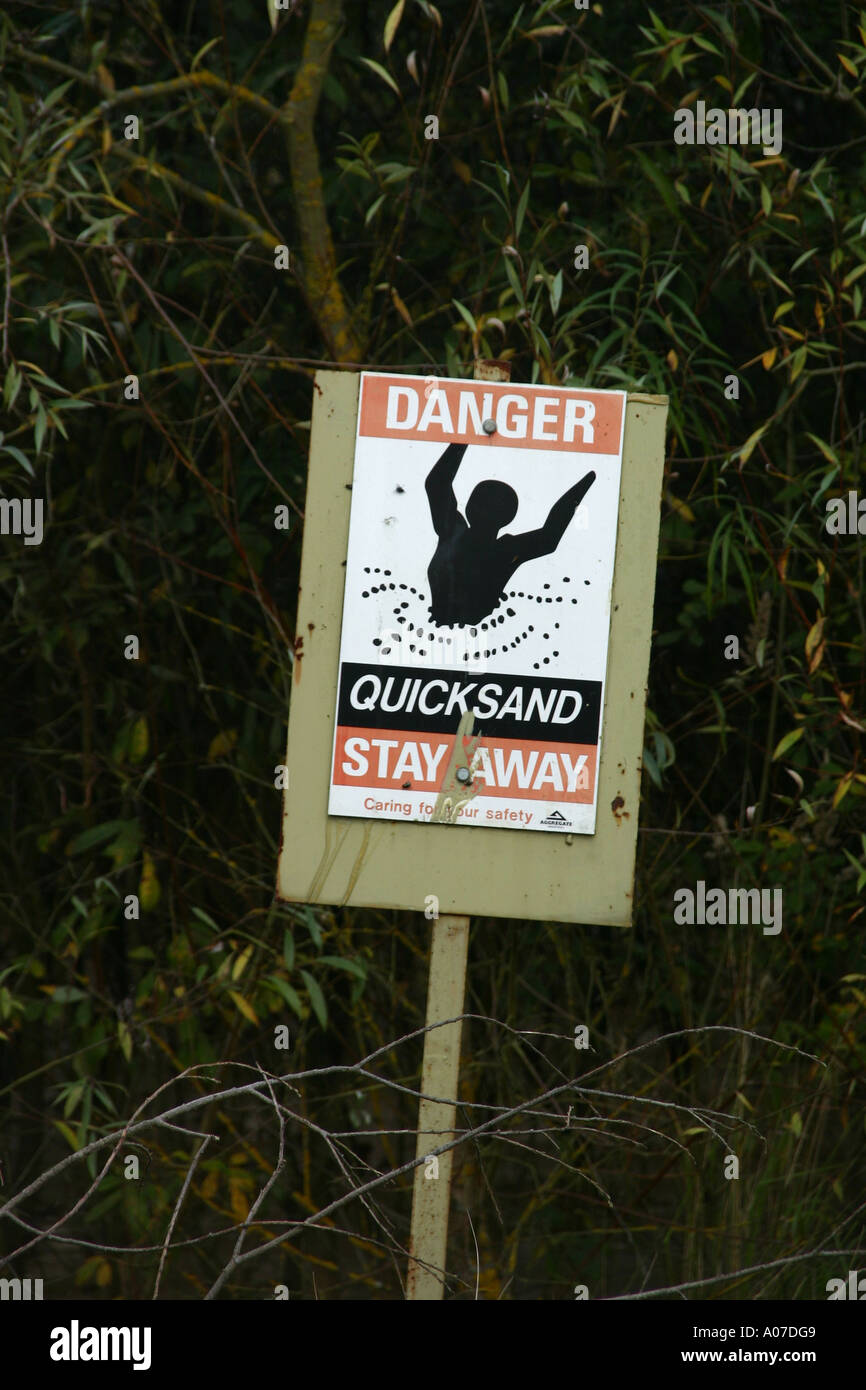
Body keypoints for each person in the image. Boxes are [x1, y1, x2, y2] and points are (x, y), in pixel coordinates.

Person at [424, 442, 596, 625]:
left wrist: (464, 438)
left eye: (487, 506)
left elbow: (437, 484)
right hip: (452, 623)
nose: (484, 511)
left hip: (457, 623)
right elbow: (550, 536)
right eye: (482, 504)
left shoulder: (465, 535)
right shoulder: (462, 533)